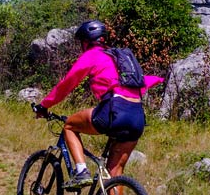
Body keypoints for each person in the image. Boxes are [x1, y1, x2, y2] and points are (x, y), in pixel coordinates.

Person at [33, 20, 164, 190]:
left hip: (114, 110)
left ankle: (81, 171)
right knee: (113, 174)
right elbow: (144, 81)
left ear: (86, 41)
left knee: (70, 126)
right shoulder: (119, 58)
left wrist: (44, 105)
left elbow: (67, 84)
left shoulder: (92, 55)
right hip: (137, 117)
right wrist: (161, 79)